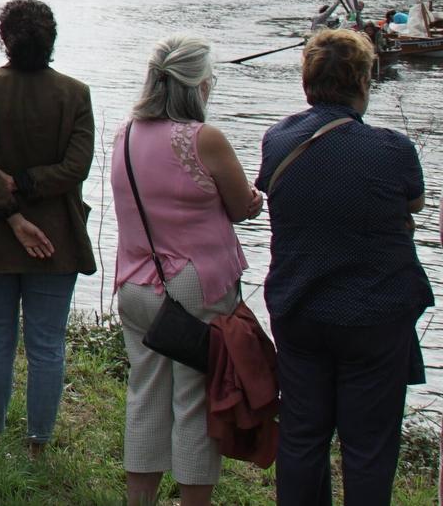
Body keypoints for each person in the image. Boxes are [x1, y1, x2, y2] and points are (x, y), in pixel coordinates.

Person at [255, 27, 431, 504]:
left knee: (301, 436)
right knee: (369, 446)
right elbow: (412, 206)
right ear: (363, 81)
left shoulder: (278, 139)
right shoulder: (392, 148)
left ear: (307, 81)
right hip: (374, 316)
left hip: (299, 310)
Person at [109, 37, 261, 506]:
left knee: (145, 396)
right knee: (193, 401)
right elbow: (242, 206)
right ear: (198, 85)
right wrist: (255, 196)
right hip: (193, 287)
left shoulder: (125, 134)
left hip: (135, 284)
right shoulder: (203, 138)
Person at [0, 0, 96, 455]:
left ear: (5, 39)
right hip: (55, 236)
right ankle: (38, 441)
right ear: (51, 39)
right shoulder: (76, 94)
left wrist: (11, 205)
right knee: (47, 344)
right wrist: (32, 187)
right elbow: (76, 167)